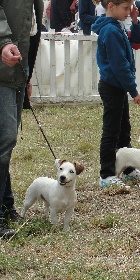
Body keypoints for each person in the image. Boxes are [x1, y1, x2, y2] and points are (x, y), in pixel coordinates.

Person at [91, 0, 140, 189]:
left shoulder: (117, 26)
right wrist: (134, 91)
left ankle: (128, 169)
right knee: (111, 131)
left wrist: (135, 21)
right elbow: (120, 66)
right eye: (125, 8)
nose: (128, 11)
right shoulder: (111, 31)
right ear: (111, 6)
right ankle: (106, 174)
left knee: (124, 129)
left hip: (118, 86)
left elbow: (134, 42)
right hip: (112, 87)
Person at [0, 0, 44, 238]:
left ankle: (6, 207)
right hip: (3, 65)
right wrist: (3, 42)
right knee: (4, 138)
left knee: (7, 141)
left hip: (18, 66)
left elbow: (32, 28)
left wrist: (27, 74)